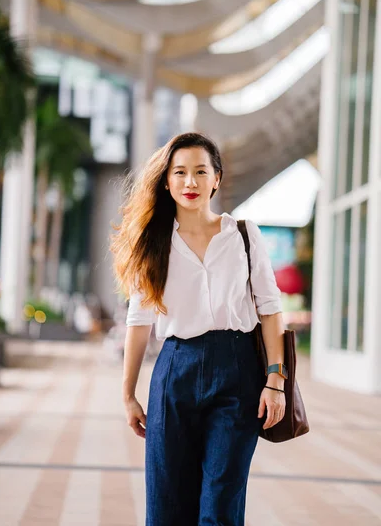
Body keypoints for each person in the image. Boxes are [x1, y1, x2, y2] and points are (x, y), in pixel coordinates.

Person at [111, 132, 286, 526]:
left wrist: (275, 381)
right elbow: (138, 323)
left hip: (238, 372)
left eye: (200, 172)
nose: (190, 182)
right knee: (167, 502)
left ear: (217, 179)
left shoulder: (243, 235)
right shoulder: (151, 244)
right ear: (167, 180)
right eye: (180, 172)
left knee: (221, 503)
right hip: (175, 370)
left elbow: (271, 311)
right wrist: (128, 394)